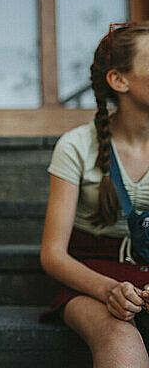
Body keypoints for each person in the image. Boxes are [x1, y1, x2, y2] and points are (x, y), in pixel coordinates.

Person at [40, 22, 149, 367]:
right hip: (93, 278)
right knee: (120, 338)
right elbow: (53, 255)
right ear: (119, 80)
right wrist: (109, 290)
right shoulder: (75, 146)